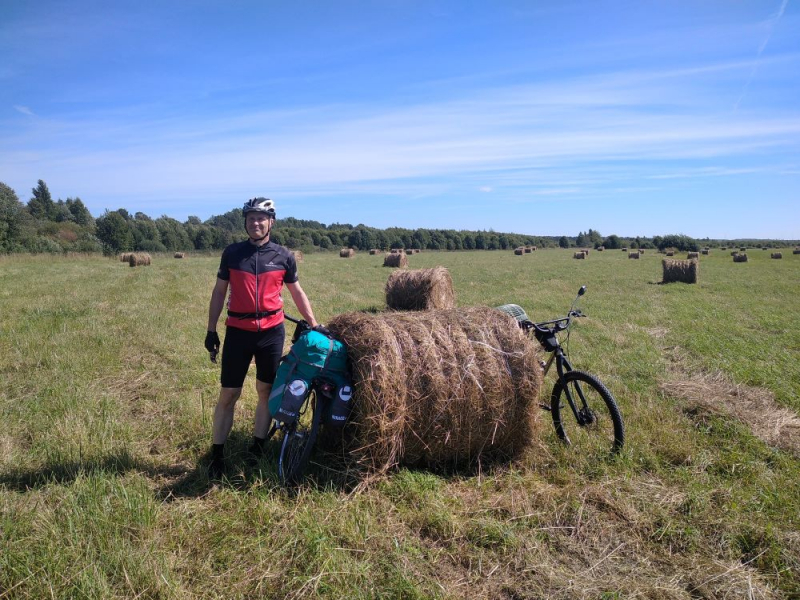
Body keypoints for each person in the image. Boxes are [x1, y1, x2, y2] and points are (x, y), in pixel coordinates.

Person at [204, 197, 320, 478]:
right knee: (229, 394)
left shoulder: (283, 256)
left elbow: (297, 292)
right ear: (245, 222)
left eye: (261, 218)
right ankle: (217, 454)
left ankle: (257, 448)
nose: (255, 223)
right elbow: (219, 292)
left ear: (271, 222)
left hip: (271, 332)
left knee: (266, 392)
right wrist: (211, 330)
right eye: (250, 218)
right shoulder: (232, 254)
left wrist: (314, 324)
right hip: (238, 333)